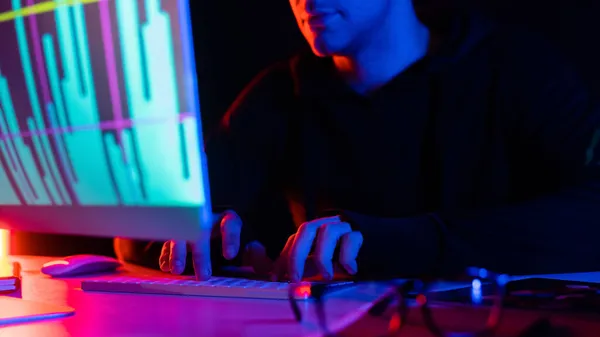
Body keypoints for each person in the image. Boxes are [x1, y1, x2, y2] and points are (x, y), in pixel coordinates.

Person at [116, 0, 600, 282]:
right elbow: (142, 222)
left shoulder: (514, 69)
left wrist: (402, 242)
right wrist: (197, 239)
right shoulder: (282, 92)